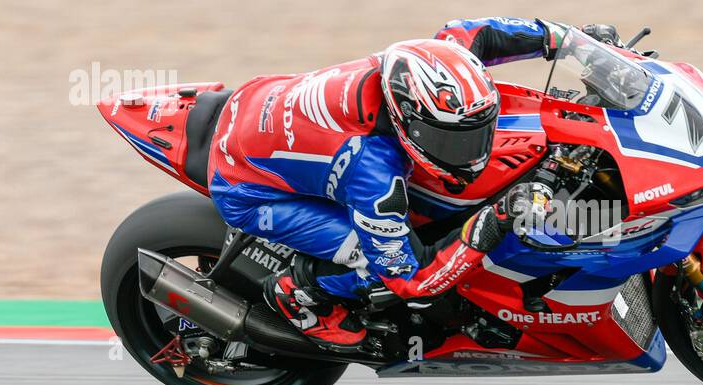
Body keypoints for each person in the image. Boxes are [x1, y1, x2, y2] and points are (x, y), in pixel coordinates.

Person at [206, 17, 598, 350]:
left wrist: (571, 42)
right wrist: (495, 218)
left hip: (259, 101)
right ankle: (299, 292)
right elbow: (412, 280)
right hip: (249, 189)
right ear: (407, 119)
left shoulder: (428, 61)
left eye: (476, 132)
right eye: (451, 141)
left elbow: (476, 31)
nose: (470, 152)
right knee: (374, 259)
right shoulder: (370, 171)